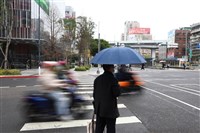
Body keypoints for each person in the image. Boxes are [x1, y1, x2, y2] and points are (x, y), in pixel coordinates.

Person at [93, 64, 121, 133]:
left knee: (99, 129)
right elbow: (117, 93)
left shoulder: (97, 79)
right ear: (110, 68)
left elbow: (94, 95)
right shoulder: (113, 79)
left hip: (99, 109)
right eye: (113, 67)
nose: (114, 68)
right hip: (110, 110)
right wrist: (118, 85)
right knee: (110, 128)